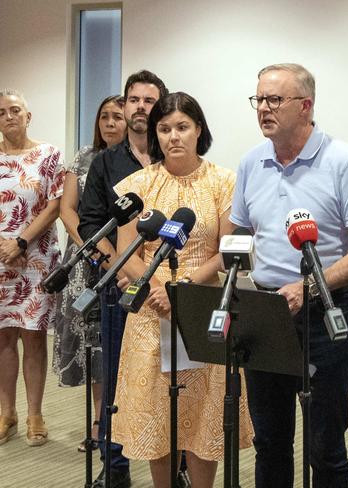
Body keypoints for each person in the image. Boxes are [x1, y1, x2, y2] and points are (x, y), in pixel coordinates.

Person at [230, 63, 348, 488]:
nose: (263, 108)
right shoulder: (250, 162)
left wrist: (308, 286)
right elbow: (239, 237)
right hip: (265, 313)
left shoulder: (344, 162)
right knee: (270, 441)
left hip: (323, 311)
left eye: (274, 100)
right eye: (258, 99)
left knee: (324, 446)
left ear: (306, 106)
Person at [112, 91, 253, 488]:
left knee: (203, 417)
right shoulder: (138, 185)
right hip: (150, 309)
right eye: (164, 128)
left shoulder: (224, 182)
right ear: (155, 134)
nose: (173, 136)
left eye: (182, 127)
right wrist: (159, 289)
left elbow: (227, 252)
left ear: (199, 131)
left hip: (203, 305)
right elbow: (128, 251)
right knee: (159, 417)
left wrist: (184, 288)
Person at [78, 70, 168, 488]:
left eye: (149, 101)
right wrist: (119, 265)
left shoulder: (176, 158)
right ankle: (114, 469)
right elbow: (91, 224)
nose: (139, 108)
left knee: (170, 379)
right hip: (121, 288)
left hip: (171, 292)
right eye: (134, 99)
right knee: (116, 378)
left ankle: (176, 468)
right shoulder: (106, 163)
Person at [52, 94, 126, 452]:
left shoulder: (133, 161)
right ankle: (99, 422)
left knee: (112, 346)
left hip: (119, 260)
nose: (110, 123)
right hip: (82, 259)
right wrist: (89, 243)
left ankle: (115, 422)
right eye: (104, 117)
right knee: (94, 347)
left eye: (117, 117)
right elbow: (67, 209)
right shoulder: (83, 157)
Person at [0, 89, 65, 446]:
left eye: (15, 110)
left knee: (33, 337)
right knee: (3, 338)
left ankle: (35, 414)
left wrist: (20, 241)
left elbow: (54, 206)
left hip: (35, 259)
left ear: (28, 115)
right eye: (2, 112)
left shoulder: (48, 154)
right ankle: (6, 412)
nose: (9, 117)